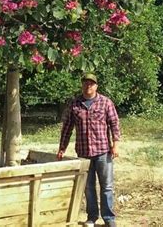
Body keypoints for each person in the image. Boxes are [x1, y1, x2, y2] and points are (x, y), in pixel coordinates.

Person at [57, 73, 120, 227]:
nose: (88, 86)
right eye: (86, 83)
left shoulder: (105, 103)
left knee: (107, 186)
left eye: (91, 83)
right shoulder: (74, 104)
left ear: (96, 86)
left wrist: (116, 144)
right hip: (83, 153)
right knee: (88, 187)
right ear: (82, 85)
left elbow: (114, 124)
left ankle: (109, 218)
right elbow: (67, 128)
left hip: (103, 151)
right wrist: (62, 148)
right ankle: (92, 217)